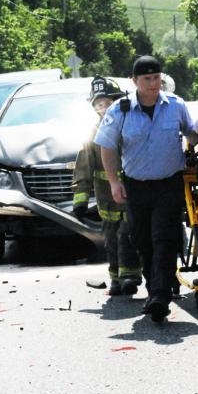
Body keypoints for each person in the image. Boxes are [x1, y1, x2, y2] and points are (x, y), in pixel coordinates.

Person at [94, 56, 198, 323]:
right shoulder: (120, 110)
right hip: (136, 185)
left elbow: (191, 133)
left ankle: (160, 296)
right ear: (135, 82)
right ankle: (155, 292)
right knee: (143, 241)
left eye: (157, 78)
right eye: (148, 79)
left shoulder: (175, 106)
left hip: (169, 183)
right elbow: (107, 146)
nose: (154, 84)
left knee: (164, 237)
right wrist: (114, 182)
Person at [73, 76, 142, 296]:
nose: (103, 108)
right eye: (98, 105)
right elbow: (84, 167)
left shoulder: (131, 125)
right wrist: (80, 201)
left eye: (107, 103)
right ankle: (115, 280)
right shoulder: (91, 134)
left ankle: (130, 276)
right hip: (107, 199)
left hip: (132, 193)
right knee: (111, 239)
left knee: (128, 234)